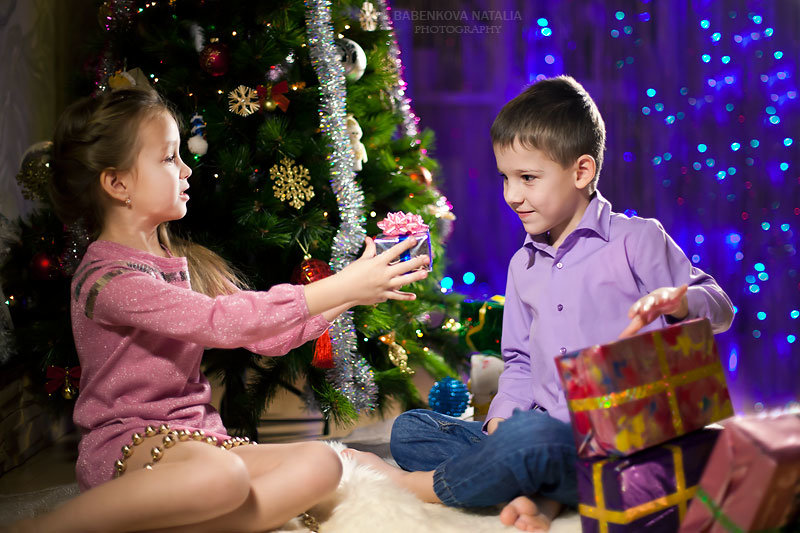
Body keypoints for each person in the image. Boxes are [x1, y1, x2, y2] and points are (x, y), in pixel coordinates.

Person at [8, 88, 430, 533]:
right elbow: (223, 323)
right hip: (129, 448)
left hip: (200, 441)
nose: (187, 169)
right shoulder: (109, 280)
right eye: (170, 158)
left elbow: (265, 335)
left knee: (323, 462)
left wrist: (351, 294)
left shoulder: (178, 262)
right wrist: (340, 285)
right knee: (223, 476)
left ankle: (199, 522)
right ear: (118, 184)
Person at [345, 75, 734, 532]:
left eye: (528, 178)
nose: (512, 195)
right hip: (548, 436)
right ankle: (535, 488)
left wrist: (682, 301)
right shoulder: (522, 267)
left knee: (530, 442)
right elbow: (520, 362)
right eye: (506, 178)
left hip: (625, 443)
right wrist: (499, 421)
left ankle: (432, 486)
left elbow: (722, 309)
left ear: (581, 172)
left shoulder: (637, 239)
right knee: (413, 429)